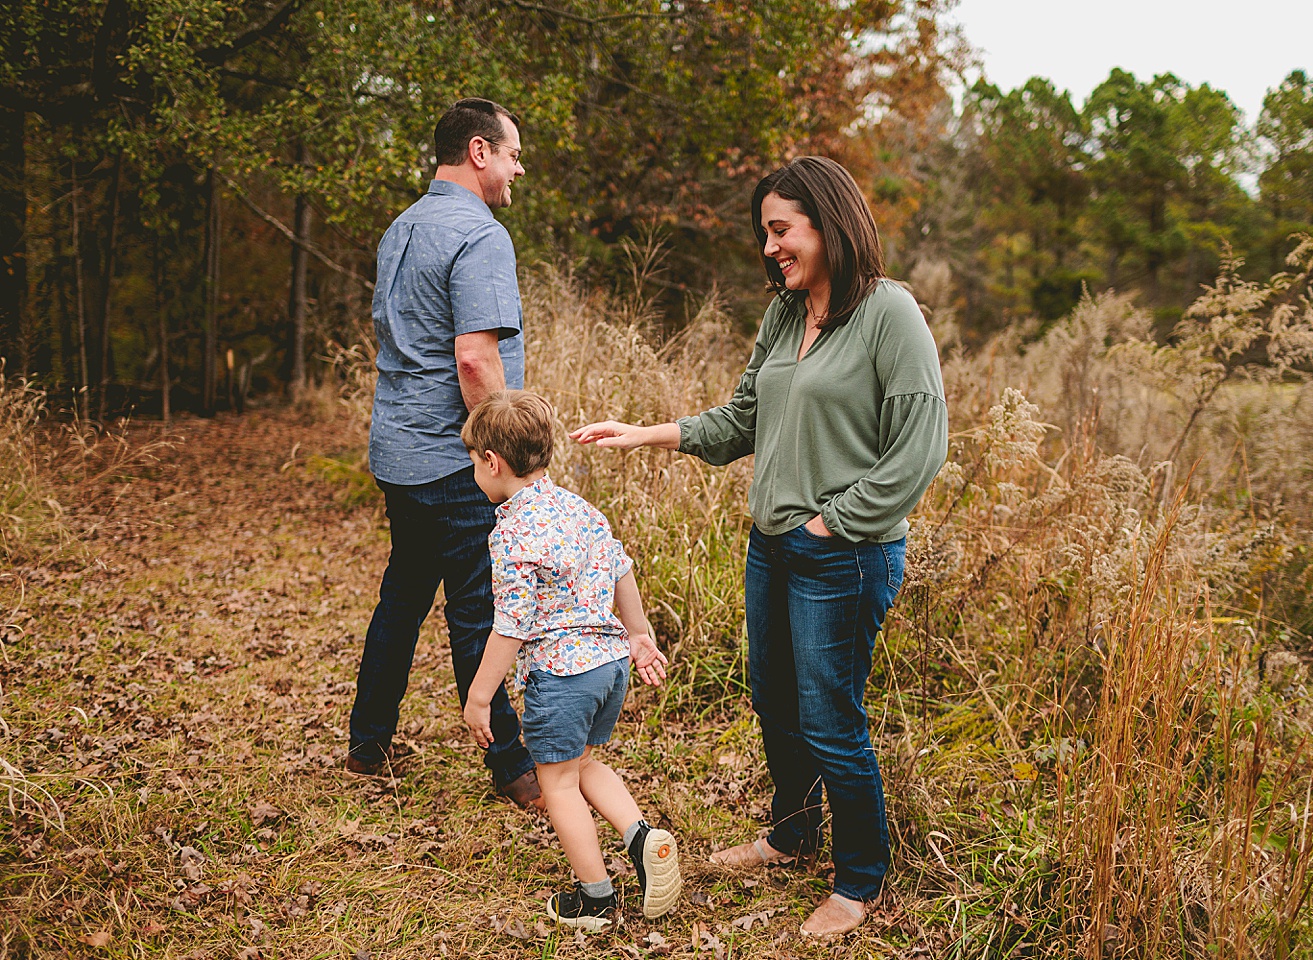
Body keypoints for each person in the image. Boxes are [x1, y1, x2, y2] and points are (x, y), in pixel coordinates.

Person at [571, 156, 948, 937]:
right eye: (764, 233)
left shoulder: (889, 314)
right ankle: (793, 834)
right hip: (772, 547)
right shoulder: (784, 314)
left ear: (828, 222)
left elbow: (920, 448)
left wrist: (831, 522)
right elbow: (743, 418)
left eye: (782, 229)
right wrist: (650, 433)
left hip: (842, 555)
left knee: (830, 717)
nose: (771, 246)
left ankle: (859, 881)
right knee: (774, 699)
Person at [347, 98, 543, 810]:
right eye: (513, 153)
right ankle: (515, 771)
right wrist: (506, 452)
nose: (519, 167)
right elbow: (472, 359)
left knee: (401, 597)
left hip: (399, 452)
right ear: (479, 151)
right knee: (479, 612)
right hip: (456, 460)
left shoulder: (403, 227)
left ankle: (367, 745)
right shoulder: (480, 234)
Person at [460, 390, 682, 930]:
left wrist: (479, 695)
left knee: (555, 782)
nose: (473, 471)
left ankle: (596, 897)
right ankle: (641, 838)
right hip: (609, 665)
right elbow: (621, 568)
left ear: (493, 462)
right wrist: (638, 632)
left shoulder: (510, 534)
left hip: (562, 676)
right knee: (581, 763)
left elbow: (511, 624)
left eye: (472, 461)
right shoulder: (579, 508)